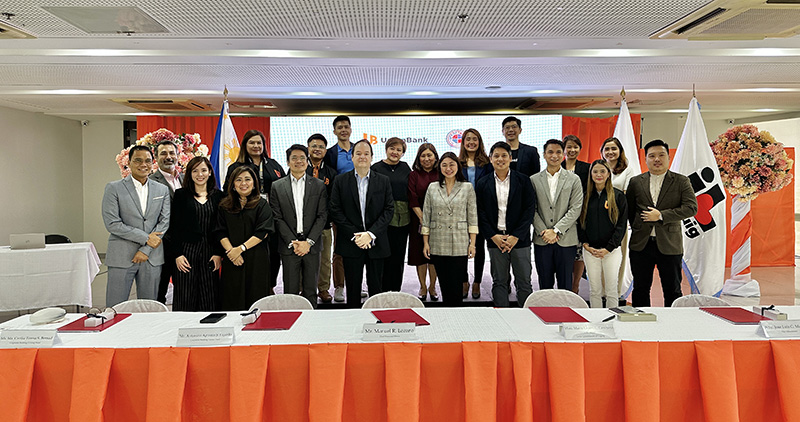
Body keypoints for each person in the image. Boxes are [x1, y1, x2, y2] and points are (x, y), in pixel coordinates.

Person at [627, 140, 697, 307]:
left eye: (661, 155)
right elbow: (629, 210)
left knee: (672, 289)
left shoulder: (681, 181)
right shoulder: (636, 182)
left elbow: (691, 208)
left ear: (669, 157)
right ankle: (642, 326)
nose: (656, 159)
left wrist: (661, 216)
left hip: (670, 244)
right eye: (652, 156)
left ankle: (673, 327)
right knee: (641, 288)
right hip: (641, 244)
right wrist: (637, 225)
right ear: (645, 159)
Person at [102, 145, 170, 307]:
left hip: (151, 257)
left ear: (153, 163)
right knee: (115, 307)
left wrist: (146, 249)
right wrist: (146, 239)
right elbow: (112, 223)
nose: (143, 164)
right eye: (138, 160)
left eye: (147, 160)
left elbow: (164, 222)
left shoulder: (162, 189)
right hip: (122, 255)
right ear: (129, 162)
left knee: (149, 308)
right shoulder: (114, 188)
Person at [329, 140, 394, 308]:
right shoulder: (340, 180)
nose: (362, 157)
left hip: (376, 242)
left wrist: (370, 234)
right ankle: (353, 324)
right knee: (352, 289)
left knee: (376, 288)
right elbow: (335, 210)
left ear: (372, 157)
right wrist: (357, 236)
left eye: (366, 153)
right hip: (352, 242)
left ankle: (377, 325)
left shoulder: (383, 180)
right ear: (352, 157)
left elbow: (388, 210)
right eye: (358, 153)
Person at [224, 129, 285, 295]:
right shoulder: (236, 167)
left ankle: (269, 285)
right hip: (246, 216)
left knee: (273, 255)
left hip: (271, 216)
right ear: (245, 145)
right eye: (252, 142)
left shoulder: (274, 165)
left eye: (259, 143)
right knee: (251, 252)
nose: (256, 146)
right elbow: (227, 193)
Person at [476, 142, 536, 307]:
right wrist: (492, 236)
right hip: (496, 240)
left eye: (504, 155)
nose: (500, 159)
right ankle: (502, 319)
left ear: (510, 157)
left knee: (524, 282)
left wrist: (516, 236)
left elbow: (529, 210)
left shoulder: (523, 181)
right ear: (490, 159)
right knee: (499, 282)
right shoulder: (482, 183)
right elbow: (480, 213)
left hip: (520, 240)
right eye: (496, 156)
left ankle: (527, 320)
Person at [270, 145, 328, 308]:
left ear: (307, 162)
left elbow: (322, 215)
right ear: (288, 162)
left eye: (302, 157)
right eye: (294, 158)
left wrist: (308, 242)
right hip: (290, 246)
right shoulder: (277, 186)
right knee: (290, 290)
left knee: (311, 290)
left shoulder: (318, 185)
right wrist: (293, 242)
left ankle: (311, 327)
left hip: (312, 245)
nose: (298, 161)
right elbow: (277, 217)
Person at [166, 156, 224, 311]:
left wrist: (219, 253)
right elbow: (175, 227)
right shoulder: (181, 195)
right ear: (189, 174)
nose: (200, 174)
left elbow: (222, 228)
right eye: (195, 170)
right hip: (186, 253)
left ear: (210, 172)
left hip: (210, 253)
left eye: (204, 170)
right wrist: (177, 254)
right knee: (185, 296)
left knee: (209, 296)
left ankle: (210, 332)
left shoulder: (220, 197)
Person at [214, 166, 274, 310]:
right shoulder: (224, 205)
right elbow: (220, 231)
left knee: (256, 298)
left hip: (256, 258)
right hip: (232, 259)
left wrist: (240, 249)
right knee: (231, 297)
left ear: (254, 183)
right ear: (233, 184)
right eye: (239, 180)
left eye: (248, 179)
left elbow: (263, 232)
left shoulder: (261, 204)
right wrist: (232, 252)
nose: (243, 183)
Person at [422, 152, 478, 306]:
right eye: (444, 165)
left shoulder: (467, 187)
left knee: (456, 284)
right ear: (439, 167)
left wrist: (472, 244)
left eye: (452, 164)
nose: (448, 168)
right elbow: (426, 217)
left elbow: (472, 217)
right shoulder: (432, 187)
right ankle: (445, 316)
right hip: (438, 240)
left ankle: (457, 316)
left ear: (458, 166)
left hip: (459, 241)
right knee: (444, 284)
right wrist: (426, 243)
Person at [530, 139, 583, 291]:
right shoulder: (534, 180)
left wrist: (556, 230)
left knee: (566, 284)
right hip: (542, 239)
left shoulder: (574, 179)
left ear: (563, 155)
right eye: (550, 152)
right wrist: (545, 231)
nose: (554, 155)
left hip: (566, 240)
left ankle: (565, 314)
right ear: (544, 155)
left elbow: (576, 208)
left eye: (558, 152)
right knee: (544, 283)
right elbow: (531, 209)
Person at [577, 160, 628, 308]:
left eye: (602, 171)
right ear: (590, 174)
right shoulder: (585, 196)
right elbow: (580, 223)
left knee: (611, 290)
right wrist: (585, 243)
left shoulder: (618, 196)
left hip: (611, 251)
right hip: (590, 250)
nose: (598, 174)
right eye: (595, 171)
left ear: (608, 174)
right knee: (594, 290)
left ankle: (613, 320)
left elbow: (621, 225)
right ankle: (596, 321)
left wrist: (609, 248)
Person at [371, 137, 411, 292]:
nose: (395, 152)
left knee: (398, 256)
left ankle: (395, 291)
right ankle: (379, 291)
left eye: (399, 150)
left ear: (403, 153)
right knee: (382, 256)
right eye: (392, 148)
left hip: (402, 220)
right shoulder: (376, 168)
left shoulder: (405, 168)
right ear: (386, 149)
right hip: (381, 219)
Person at [323, 116, 356, 301]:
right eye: (339, 127)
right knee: (340, 248)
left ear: (351, 129)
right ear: (334, 131)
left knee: (359, 248)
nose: (343, 130)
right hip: (340, 207)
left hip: (360, 207)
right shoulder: (330, 154)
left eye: (346, 126)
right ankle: (339, 286)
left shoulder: (358, 149)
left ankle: (354, 284)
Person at [601, 136, 637, 305]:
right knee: (598, 258)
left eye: (614, 149)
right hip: (599, 220)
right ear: (602, 152)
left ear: (620, 151)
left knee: (617, 256)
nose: (610, 152)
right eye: (607, 149)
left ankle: (615, 292)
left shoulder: (628, 170)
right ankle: (600, 292)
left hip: (618, 221)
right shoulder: (598, 168)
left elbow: (626, 195)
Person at [458, 128, 493, 299]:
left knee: (479, 248)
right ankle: (464, 281)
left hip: (481, 211)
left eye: (475, 139)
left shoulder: (487, 163)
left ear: (479, 142)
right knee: (462, 247)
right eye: (468, 139)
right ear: (463, 142)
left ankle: (477, 282)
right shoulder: (457, 162)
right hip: (461, 212)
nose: (471, 142)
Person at [306, 133, 340, 303]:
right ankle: (302, 288)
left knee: (325, 258)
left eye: (321, 147)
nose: (317, 149)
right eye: (314, 146)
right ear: (308, 148)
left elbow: (333, 199)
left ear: (326, 150)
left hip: (324, 223)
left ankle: (323, 288)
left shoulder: (331, 173)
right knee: (303, 257)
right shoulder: (299, 168)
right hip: (303, 224)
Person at [149, 140, 184, 304]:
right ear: (156, 158)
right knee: (159, 291)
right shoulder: (150, 182)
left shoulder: (185, 178)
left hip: (184, 245)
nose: (168, 157)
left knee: (183, 289)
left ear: (178, 156)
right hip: (162, 245)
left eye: (172, 153)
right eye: (163, 153)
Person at [407, 143, 440, 301]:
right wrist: (423, 219)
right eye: (423, 156)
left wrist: (433, 220)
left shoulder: (441, 173)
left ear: (435, 157)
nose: (426, 159)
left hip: (439, 221)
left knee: (434, 255)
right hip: (417, 220)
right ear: (418, 158)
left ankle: (433, 287)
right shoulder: (414, 174)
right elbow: (412, 198)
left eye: (429, 155)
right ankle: (423, 286)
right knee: (420, 255)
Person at [561, 135, 590, 295]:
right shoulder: (558, 166)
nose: (572, 150)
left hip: (580, 218)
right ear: (564, 149)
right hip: (559, 218)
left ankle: (576, 285)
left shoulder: (587, 168)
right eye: (569, 147)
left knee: (578, 253)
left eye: (575, 147)